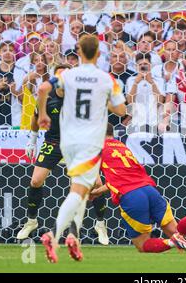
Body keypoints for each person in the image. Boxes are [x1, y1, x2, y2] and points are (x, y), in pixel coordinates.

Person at [37, 35, 126, 263]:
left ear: (79, 52)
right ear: (98, 53)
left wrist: (44, 115)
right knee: (79, 191)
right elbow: (120, 110)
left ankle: (73, 239)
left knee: (84, 190)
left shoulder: (66, 75)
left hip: (67, 141)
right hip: (90, 142)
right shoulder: (106, 79)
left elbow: (42, 89)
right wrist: (103, 100)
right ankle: (54, 235)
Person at [87, 123, 186, 254]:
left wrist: (90, 192)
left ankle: (172, 242)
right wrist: (98, 192)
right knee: (176, 232)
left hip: (131, 196)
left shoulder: (97, 149)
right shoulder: (122, 147)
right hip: (149, 190)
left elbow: (97, 182)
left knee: (142, 244)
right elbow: (117, 180)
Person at [16, 64, 110, 246]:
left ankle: (100, 224)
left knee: (96, 183)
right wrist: (32, 140)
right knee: (35, 181)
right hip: (53, 142)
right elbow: (35, 120)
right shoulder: (45, 98)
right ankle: (31, 221)